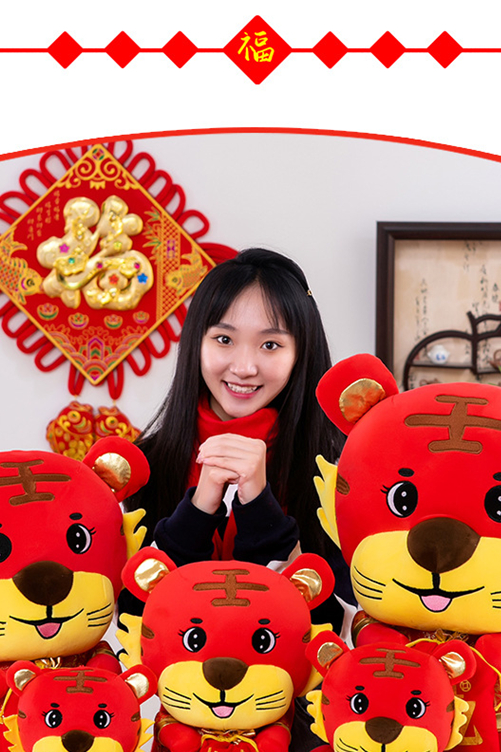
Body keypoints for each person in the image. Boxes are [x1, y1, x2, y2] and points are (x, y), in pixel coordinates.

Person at [122, 247, 351, 622]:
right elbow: (130, 620)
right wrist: (198, 511)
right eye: (224, 340)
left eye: (270, 345)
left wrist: (260, 506)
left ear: (301, 354)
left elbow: (342, 627)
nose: (244, 368)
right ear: (196, 342)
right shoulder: (143, 466)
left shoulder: (337, 471)